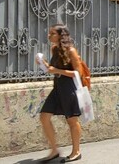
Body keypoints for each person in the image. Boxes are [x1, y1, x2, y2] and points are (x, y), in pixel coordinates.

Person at [38, 24, 84, 163]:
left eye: (52, 33)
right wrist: (43, 64)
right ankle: (54, 150)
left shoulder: (71, 51)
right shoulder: (54, 49)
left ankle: (76, 151)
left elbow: (78, 73)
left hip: (69, 88)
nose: (49, 35)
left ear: (60, 35)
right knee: (44, 116)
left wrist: (57, 71)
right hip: (57, 87)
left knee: (72, 120)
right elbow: (53, 69)